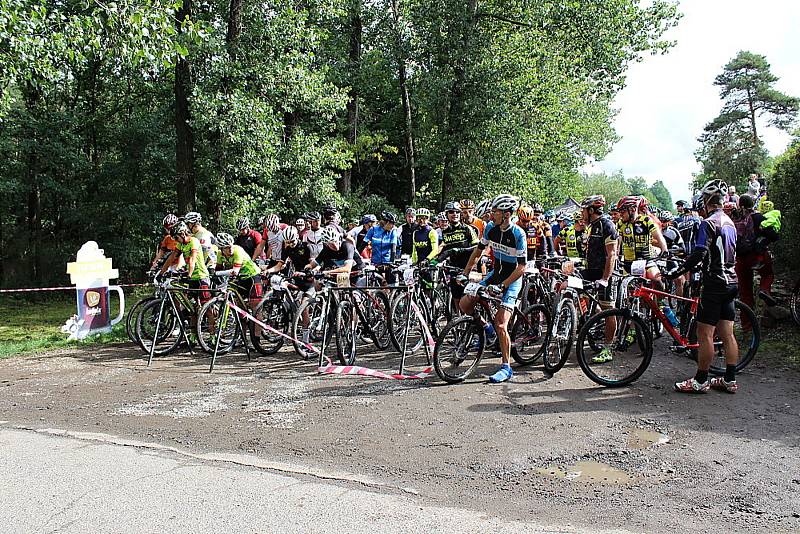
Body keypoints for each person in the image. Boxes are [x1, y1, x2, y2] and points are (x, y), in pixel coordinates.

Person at [666, 181, 739, 393]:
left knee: (704, 333)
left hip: (714, 283)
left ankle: (700, 380)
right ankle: (730, 379)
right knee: (727, 333)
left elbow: (699, 253)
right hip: (731, 282)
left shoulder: (708, 223)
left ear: (706, 201)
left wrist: (676, 272)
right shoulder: (730, 222)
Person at [461, 194, 527, 383]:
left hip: (512, 279)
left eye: (495, 212)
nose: (491, 215)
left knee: (501, 323)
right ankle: (486, 328)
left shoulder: (518, 234)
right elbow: (478, 250)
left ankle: (506, 367)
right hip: (495, 274)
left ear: (506, 214)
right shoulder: (490, 227)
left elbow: (522, 267)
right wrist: (466, 273)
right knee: (466, 303)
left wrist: (502, 286)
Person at [579, 195, 619, 364]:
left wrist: (605, 278)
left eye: (583, 210)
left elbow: (612, 255)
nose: (582, 214)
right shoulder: (591, 226)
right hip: (591, 270)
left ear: (590, 210)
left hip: (605, 273)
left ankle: (608, 348)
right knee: (569, 284)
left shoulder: (606, 225)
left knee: (608, 309)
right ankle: (585, 318)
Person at [734, 194, 779, 318]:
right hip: (756, 255)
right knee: (767, 274)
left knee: (745, 293)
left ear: (740, 205)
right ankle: (764, 289)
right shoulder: (758, 217)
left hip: (740, 259)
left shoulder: (734, 218)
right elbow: (773, 235)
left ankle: (747, 327)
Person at [215, 232, 263, 334]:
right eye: (227, 247)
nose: (230, 249)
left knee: (255, 308)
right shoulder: (219, 254)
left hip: (253, 276)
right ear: (221, 249)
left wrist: (216, 273)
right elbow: (217, 269)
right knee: (239, 309)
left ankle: (257, 338)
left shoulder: (238, 251)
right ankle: (242, 336)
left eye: (231, 246)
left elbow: (234, 272)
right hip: (241, 279)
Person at [616, 196, 668, 288]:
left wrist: (664, 249)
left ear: (632, 209)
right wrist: (615, 254)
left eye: (623, 211)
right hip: (628, 262)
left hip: (647, 260)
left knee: (655, 279)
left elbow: (658, 236)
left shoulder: (646, 220)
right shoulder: (621, 223)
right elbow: (618, 242)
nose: (620, 214)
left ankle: (660, 300)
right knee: (624, 285)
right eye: (619, 211)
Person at [437, 201, 480, 303]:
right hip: (453, 267)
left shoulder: (467, 229)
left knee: (468, 297)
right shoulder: (445, 232)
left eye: (457, 211)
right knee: (455, 295)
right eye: (451, 212)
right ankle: (459, 317)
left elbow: (477, 247)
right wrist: (435, 260)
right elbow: (445, 249)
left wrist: (461, 250)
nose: (454, 214)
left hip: (467, 266)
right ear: (447, 215)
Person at [161, 222, 211, 306]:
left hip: (201, 277)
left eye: (176, 238)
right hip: (191, 277)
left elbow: (192, 259)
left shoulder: (193, 241)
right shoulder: (181, 244)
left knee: (207, 309)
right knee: (191, 309)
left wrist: (189, 275)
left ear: (182, 234)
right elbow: (171, 258)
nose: (176, 240)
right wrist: (162, 272)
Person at [365, 211, 401, 282]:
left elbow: (393, 247)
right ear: (386, 222)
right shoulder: (373, 229)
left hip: (388, 262)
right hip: (375, 262)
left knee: (391, 284)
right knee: (374, 284)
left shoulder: (393, 231)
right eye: (392, 223)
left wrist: (392, 262)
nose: (393, 226)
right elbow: (363, 244)